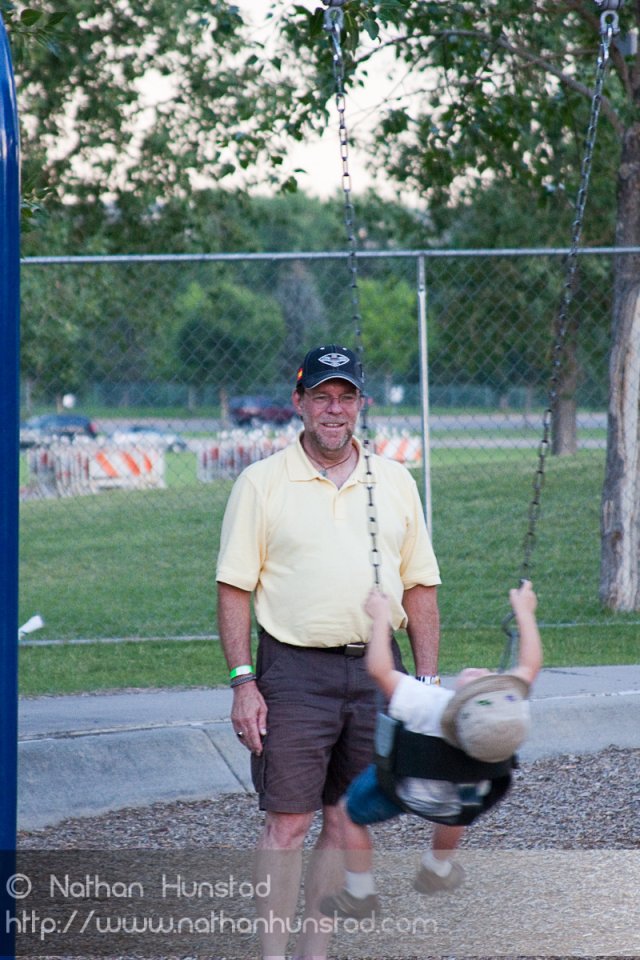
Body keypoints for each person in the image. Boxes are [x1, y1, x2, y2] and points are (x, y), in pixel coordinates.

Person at [216, 344, 442, 960]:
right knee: (288, 824)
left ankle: (315, 952)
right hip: (293, 670)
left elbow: (420, 585)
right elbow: (233, 588)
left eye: (345, 397)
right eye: (321, 396)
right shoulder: (261, 483)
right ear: (300, 403)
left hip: (377, 669)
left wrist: (423, 682)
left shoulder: (394, 481)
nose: (333, 409)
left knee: (347, 821)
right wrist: (243, 681)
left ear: (361, 405)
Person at [319, 579, 542, 920]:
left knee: (349, 813)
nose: (481, 671)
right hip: (460, 802)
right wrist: (525, 614)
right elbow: (530, 666)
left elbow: (379, 669)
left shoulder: (429, 704)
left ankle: (360, 891)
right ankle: (437, 866)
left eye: (478, 680)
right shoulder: (510, 713)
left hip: (402, 791)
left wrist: (379, 620)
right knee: (464, 800)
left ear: (462, 702)